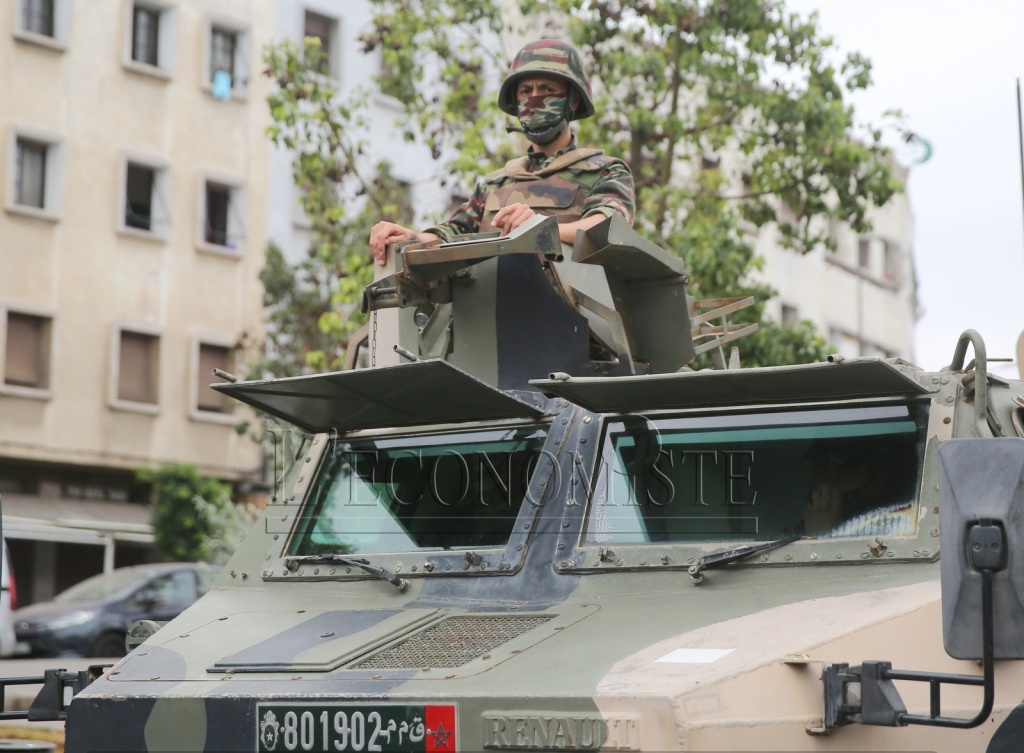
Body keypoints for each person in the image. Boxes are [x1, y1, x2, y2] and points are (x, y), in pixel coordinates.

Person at [369, 39, 636, 265]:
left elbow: (606, 228)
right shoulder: (494, 185)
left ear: (573, 100)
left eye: (547, 89)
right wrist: (411, 239)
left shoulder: (604, 172)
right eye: (525, 91)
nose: (534, 99)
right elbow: (451, 235)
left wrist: (540, 228)